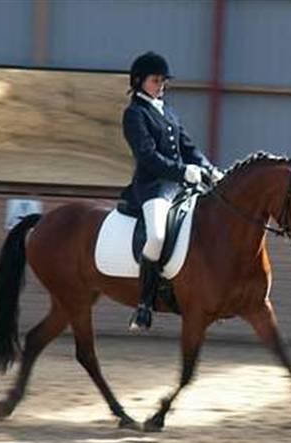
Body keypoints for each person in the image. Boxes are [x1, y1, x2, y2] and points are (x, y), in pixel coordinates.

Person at [120, 51, 223, 331]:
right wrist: (182, 171)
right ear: (139, 81)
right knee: (156, 236)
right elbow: (148, 157)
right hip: (153, 187)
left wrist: (209, 169)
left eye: (163, 80)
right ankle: (144, 304)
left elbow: (188, 148)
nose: (161, 85)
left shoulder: (169, 111)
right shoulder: (134, 114)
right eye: (156, 80)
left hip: (182, 185)